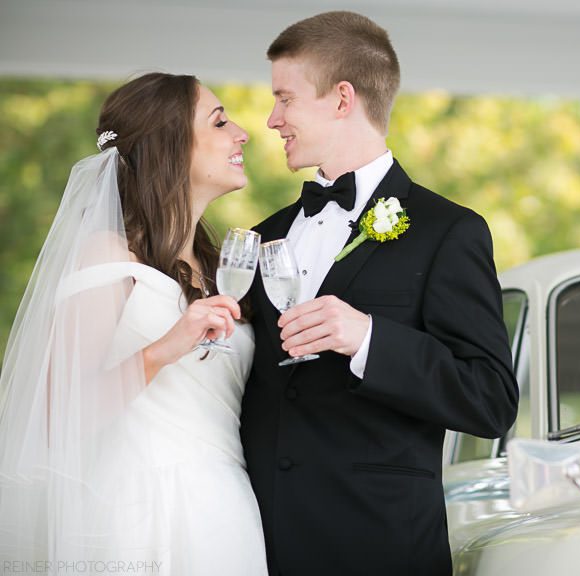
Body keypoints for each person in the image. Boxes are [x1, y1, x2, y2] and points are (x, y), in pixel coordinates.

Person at [240, 11, 519, 576]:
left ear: (342, 99)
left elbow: (491, 399)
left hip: (380, 546)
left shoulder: (450, 231)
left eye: (285, 99)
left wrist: (369, 338)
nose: (272, 120)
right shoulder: (263, 235)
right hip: (257, 545)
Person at [0, 73, 267, 575]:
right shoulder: (107, 254)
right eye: (219, 121)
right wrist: (166, 347)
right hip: (145, 509)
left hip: (227, 510)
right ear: (169, 143)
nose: (242, 133)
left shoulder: (219, 271)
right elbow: (59, 411)